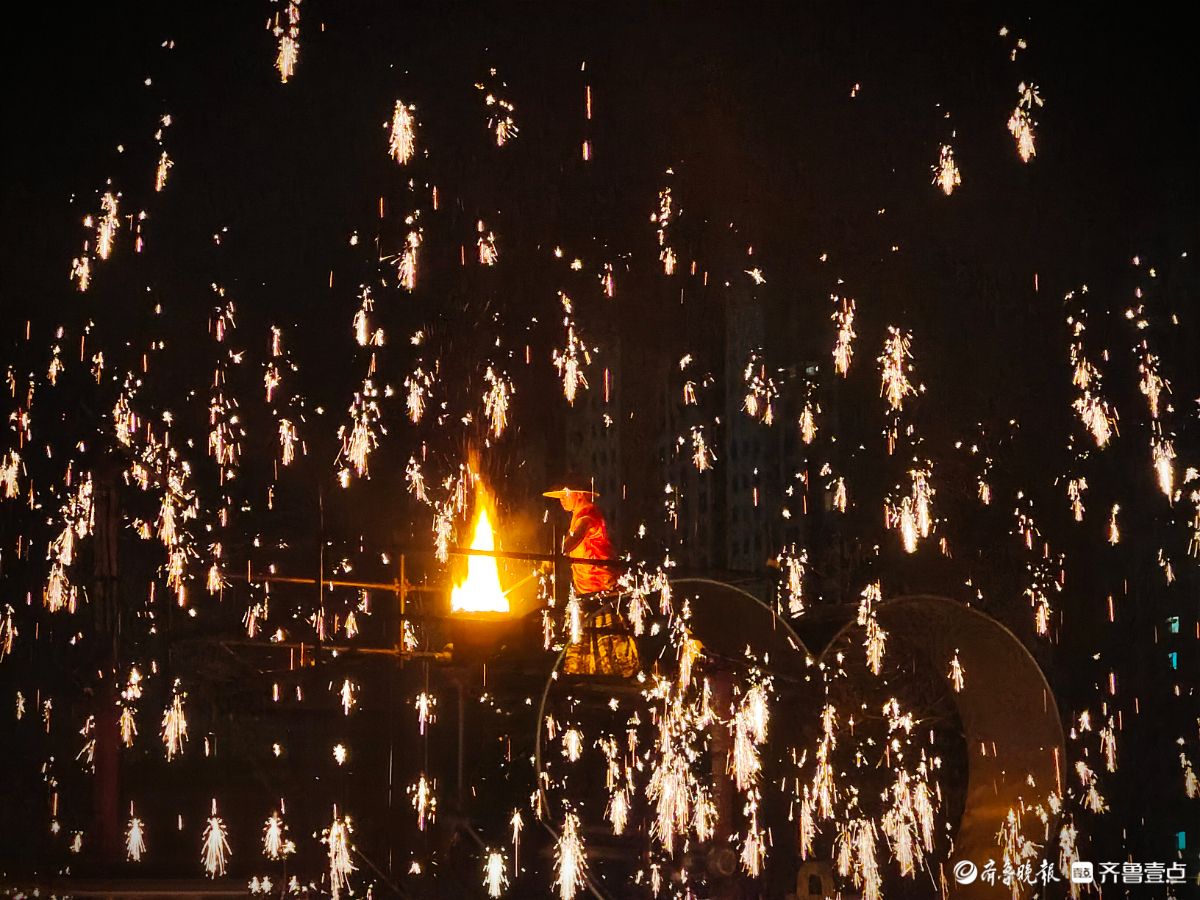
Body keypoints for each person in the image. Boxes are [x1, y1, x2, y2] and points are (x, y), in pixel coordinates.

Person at [542, 482, 638, 677]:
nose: (561, 500)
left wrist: (558, 552)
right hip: (586, 587)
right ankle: (587, 672)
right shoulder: (578, 516)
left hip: (601, 584)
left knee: (607, 632)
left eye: (565, 495)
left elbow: (577, 536)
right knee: (588, 631)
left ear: (578, 495)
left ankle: (614, 674)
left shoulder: (588, 514)